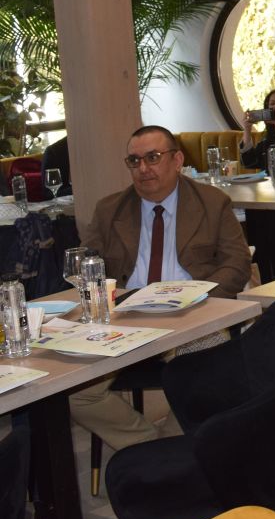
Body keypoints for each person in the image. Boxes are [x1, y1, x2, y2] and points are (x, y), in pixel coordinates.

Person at [72, 125, 251, 450]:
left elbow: (237, 264)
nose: (143, 168)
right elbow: (87, 266)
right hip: (127, 318)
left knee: (207, 372)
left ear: (177, 160)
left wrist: (200, 300)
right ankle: (150, 448)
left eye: (153, 157)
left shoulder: (212, 203)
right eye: (134, 160)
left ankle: (172, 450)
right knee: (75, 392)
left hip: (191, 314)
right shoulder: (109, 209)